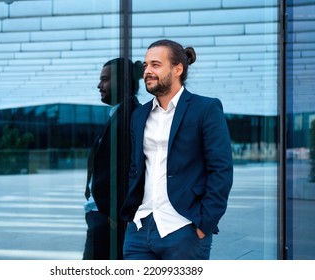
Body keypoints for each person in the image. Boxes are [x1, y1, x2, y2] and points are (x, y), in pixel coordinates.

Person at [120, 39, 233, 260]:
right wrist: (132, 215)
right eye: (145, 66)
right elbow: (136, 168)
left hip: (184, 229)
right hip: (140, 229)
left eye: (155, 65)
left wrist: (204, 223)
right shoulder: (139, 115)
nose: (148, 71)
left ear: (177, 69)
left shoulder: (205, 109)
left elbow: (221, 170)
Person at [83, 58, 144, 259]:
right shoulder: (121, 113)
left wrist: (116, 214)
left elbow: (134, 167)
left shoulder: (130, 115)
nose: (99, 85)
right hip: (104, 216)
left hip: (110, 219)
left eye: (105, 79)